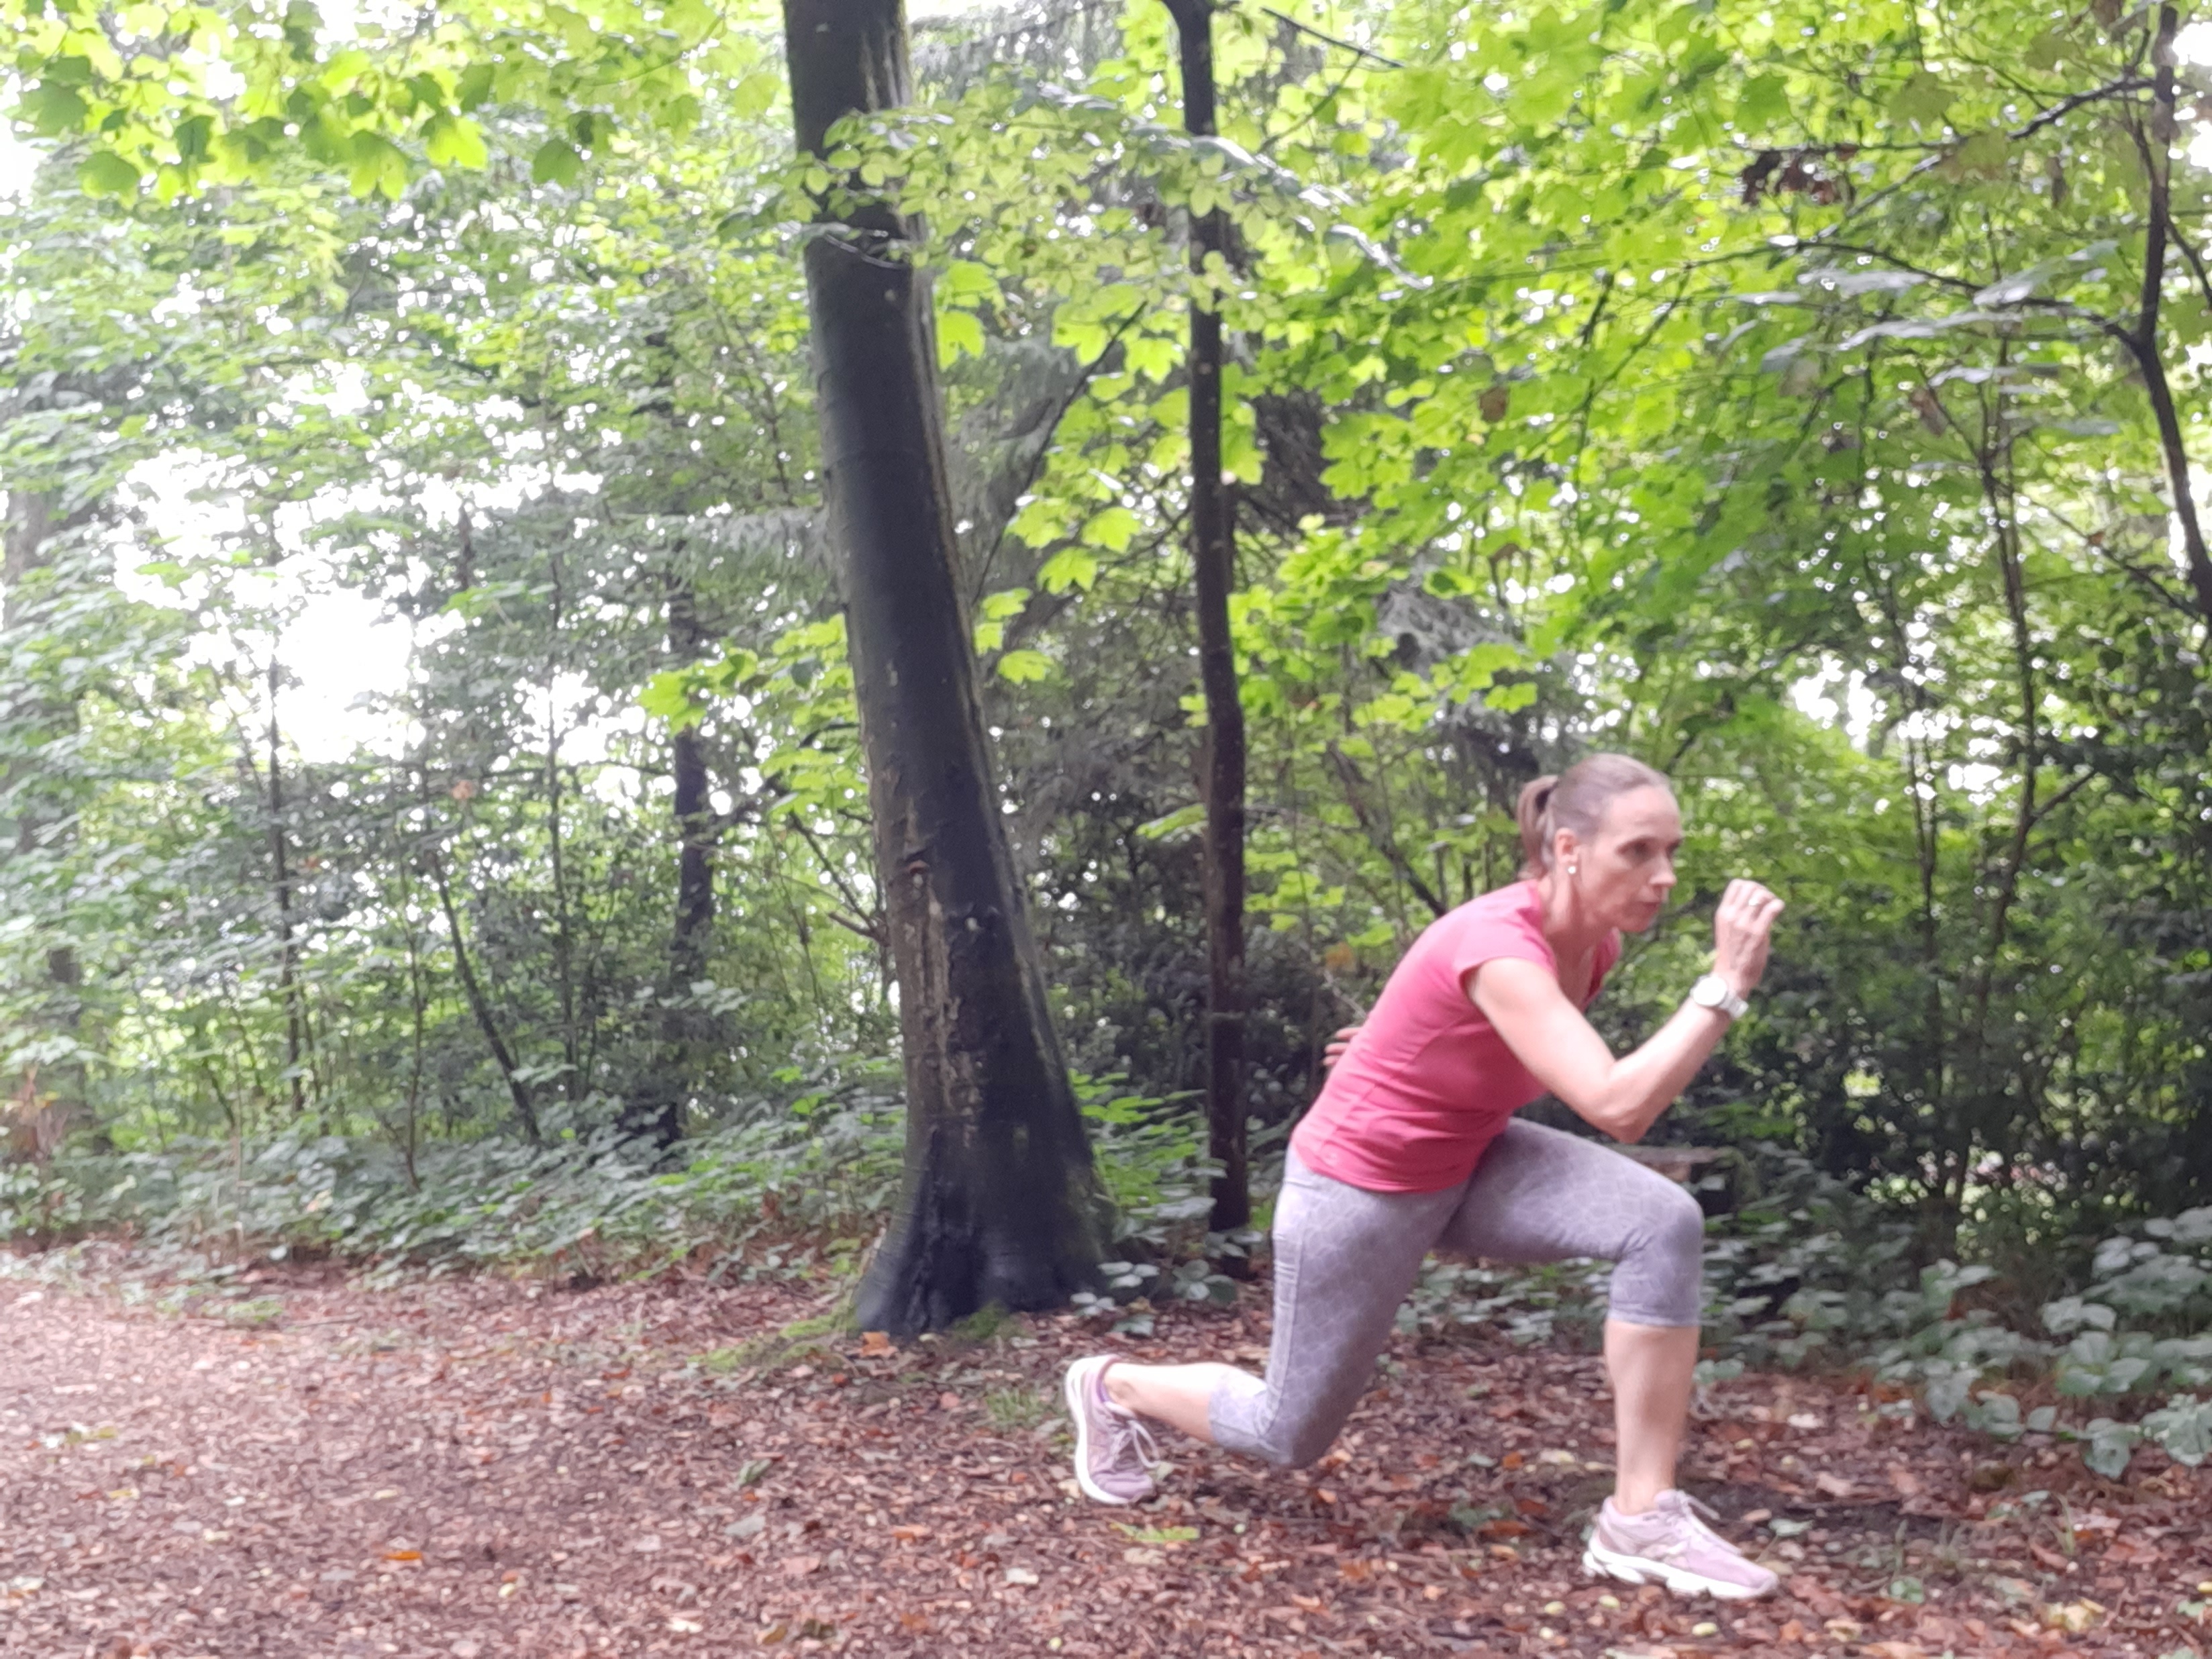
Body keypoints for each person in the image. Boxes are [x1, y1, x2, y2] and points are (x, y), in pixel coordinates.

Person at [1061, 754, 1786, 1600]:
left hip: (1469, 1155)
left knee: (1662, 1222)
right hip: (1359, 1186)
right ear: (1567, 850)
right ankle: (1111, 1386)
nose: (1663, 876)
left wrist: (1387, 1043)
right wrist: (1724, 986)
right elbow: (1616, 1104)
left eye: (1670, 852)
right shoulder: (1501, 944)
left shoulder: (1594, 947)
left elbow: (1468, 1028)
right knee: (1286, 1434)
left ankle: (1640, 1516)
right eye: (1637, 851)